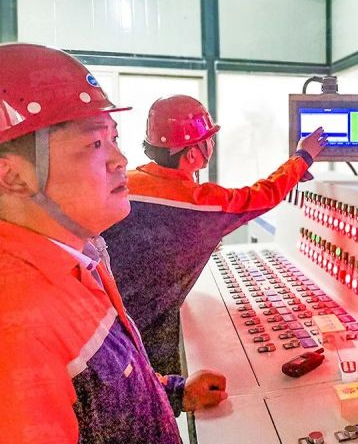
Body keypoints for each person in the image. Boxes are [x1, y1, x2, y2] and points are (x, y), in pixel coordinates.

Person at [0, 44, 227, 444]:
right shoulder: (17, 329)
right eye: (94, 144)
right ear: (13, 177)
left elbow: (106, 390)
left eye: (114, 138)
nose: (120, 160)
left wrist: (175, 392)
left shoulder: (81, 257)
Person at [102, 94, 326, 375]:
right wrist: (303, 157)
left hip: (104, 327)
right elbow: (261, 196)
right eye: (208, 140)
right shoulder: (198, 202)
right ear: (192, 154)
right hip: (144, 336)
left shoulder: (125, 183)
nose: (212, 145)